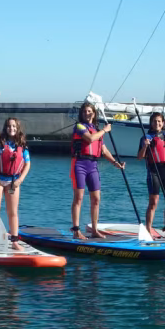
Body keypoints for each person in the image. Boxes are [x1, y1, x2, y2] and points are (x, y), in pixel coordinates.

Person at [70, 102, 125, 239]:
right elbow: (89, 139)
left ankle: (94, 229)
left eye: (89, 111)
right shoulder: (79, 126)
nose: (87, 114)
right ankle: (76, 231)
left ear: (94, 114)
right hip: (80, 164)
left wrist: (114, 162)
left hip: (93, 165)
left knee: (96, 199)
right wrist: (105, 130)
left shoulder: (96, 129)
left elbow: (103, 150)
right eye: (85, 112)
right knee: (79, 197)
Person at [0, 118, 30, 251]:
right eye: (9, 126)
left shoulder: (22, 145)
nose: (12, 128)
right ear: (5, 128)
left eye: (14, 126)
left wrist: (20, 180)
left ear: (18, 128)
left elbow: (27, 164)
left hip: (13, 182)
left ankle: (15, 241)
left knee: (13, 212)